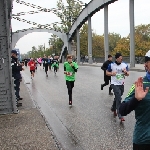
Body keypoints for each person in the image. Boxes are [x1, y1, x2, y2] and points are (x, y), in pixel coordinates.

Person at [119, 50, 150, 150]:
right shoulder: (140, 85)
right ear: (146, 64)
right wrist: (136, 99)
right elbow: (122, 110)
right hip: (144, 141)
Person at [106, 53, 129, 121]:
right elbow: (106, 73)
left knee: (118, 96)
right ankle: (120, 115)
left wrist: (125, 72)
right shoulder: (111, 65)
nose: (121, 59)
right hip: (114, 83)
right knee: (119, 97)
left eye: (122, 58)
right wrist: (111, 73)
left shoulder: (124, 65)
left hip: (121, 84)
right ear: (116, 58)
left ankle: (113, 108)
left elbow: (128, 74)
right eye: (120, 58)